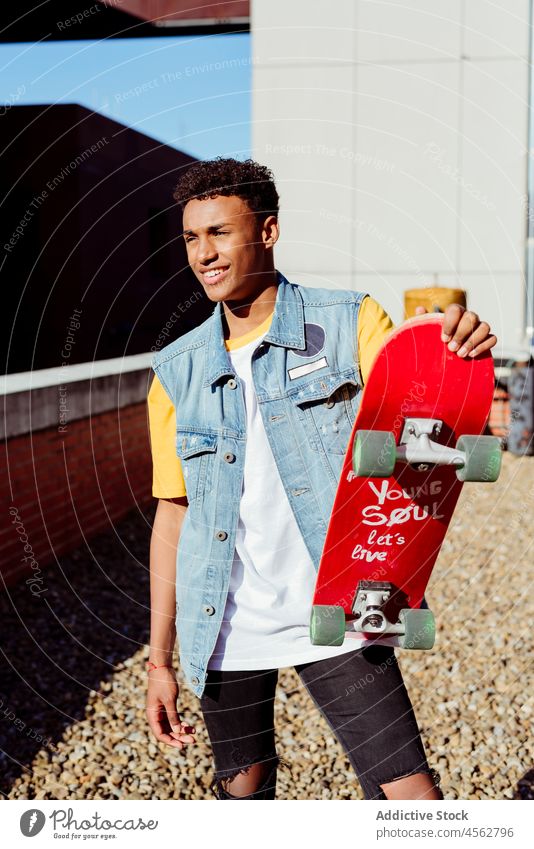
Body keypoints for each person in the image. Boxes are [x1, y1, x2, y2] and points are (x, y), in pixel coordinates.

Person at [145, 157, 497, 801]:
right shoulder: (176, 370)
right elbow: (175, 516)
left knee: (410, 798)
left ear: (269, 231)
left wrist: (458, 355)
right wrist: (159, 659)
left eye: (220, 233)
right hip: (224, 621)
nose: (204, 254)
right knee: (243, 795)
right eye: (192, 238)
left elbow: (421, 429)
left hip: (344, 603)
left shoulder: (349, 321)